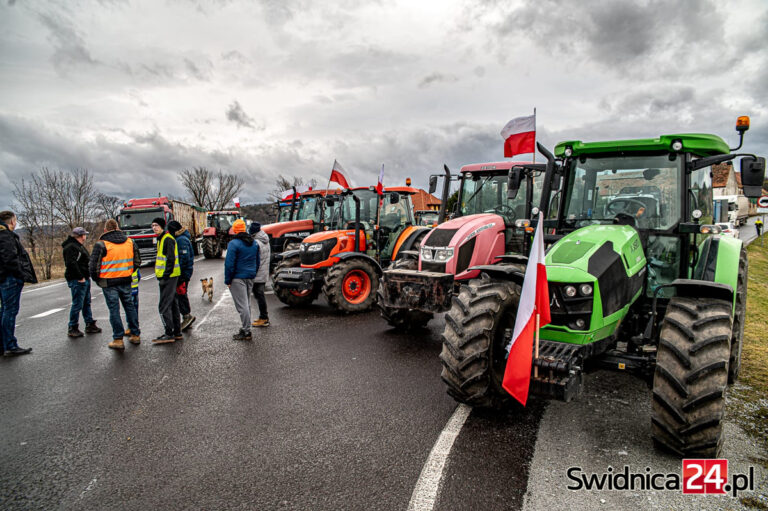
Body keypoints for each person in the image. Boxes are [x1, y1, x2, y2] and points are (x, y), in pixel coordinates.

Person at [89, 219, 141, 350]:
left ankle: (118, 339)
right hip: (126, 279)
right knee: (129, 306)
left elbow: (93, 266)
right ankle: (135, 334)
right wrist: (128, 272)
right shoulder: (130, 242)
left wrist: (98, 279)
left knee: (114, 310)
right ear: (117, 228)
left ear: (105, 230)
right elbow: (137, 261)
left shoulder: (101, 244)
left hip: (109, 282)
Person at [0, 210, 37, 356]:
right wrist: (20, 275)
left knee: (4, 310)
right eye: (15, 220)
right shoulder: (6, 236)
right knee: (9, 311)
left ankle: (3, 344)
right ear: (12, 221)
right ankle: (10, 345)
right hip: (10, 278)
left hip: (3, 278)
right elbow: (10, 259)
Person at [62, 226, 101, 337]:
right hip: (77, 279)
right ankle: (73, 327)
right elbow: (71, 263)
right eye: (84, 234)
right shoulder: (71, 247)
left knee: (86, 303)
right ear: (81, 236)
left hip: (84, 277)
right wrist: (80, 277)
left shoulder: (78, 246)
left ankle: (89, 324)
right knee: (77, 304)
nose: (85, 237)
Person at [224, 219, 260, 341]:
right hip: (250, 276)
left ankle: (246, 331)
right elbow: (257, 261)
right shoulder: (254, 243)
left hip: (237, 277)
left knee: (242, 305)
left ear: (234, 230)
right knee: (247, 303)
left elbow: (229, 264)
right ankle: (246, 327)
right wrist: (253, 273)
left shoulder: (233, 244)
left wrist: (228, 280)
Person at [151, 217, 181, 344]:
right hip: (170, 276)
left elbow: (170, 259)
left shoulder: (167, 239)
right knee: (173, 304)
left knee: (163, 305)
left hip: (168, 277)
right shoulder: (161, 239)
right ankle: (177, 332)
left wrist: (165, 275)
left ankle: (169, 333)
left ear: (162, 226)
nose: (154, 228)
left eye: (156, 225)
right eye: (153, 226)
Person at [167, 220, 196, 331]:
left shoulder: (181, 240)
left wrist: (181, 275)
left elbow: (183, 258)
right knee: (180, 294)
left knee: (181, 294)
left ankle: (187, 316)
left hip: (182, 273)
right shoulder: (180, 238)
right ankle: (186, 317)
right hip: (183, 272)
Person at [249, 221, 270, 327]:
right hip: (263, 271)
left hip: (258, 273)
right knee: (259, 294)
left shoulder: (256, 242)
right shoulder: (264, 239)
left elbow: (254, 259)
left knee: (259, 295)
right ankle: (263, 317)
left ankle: (264, 318)